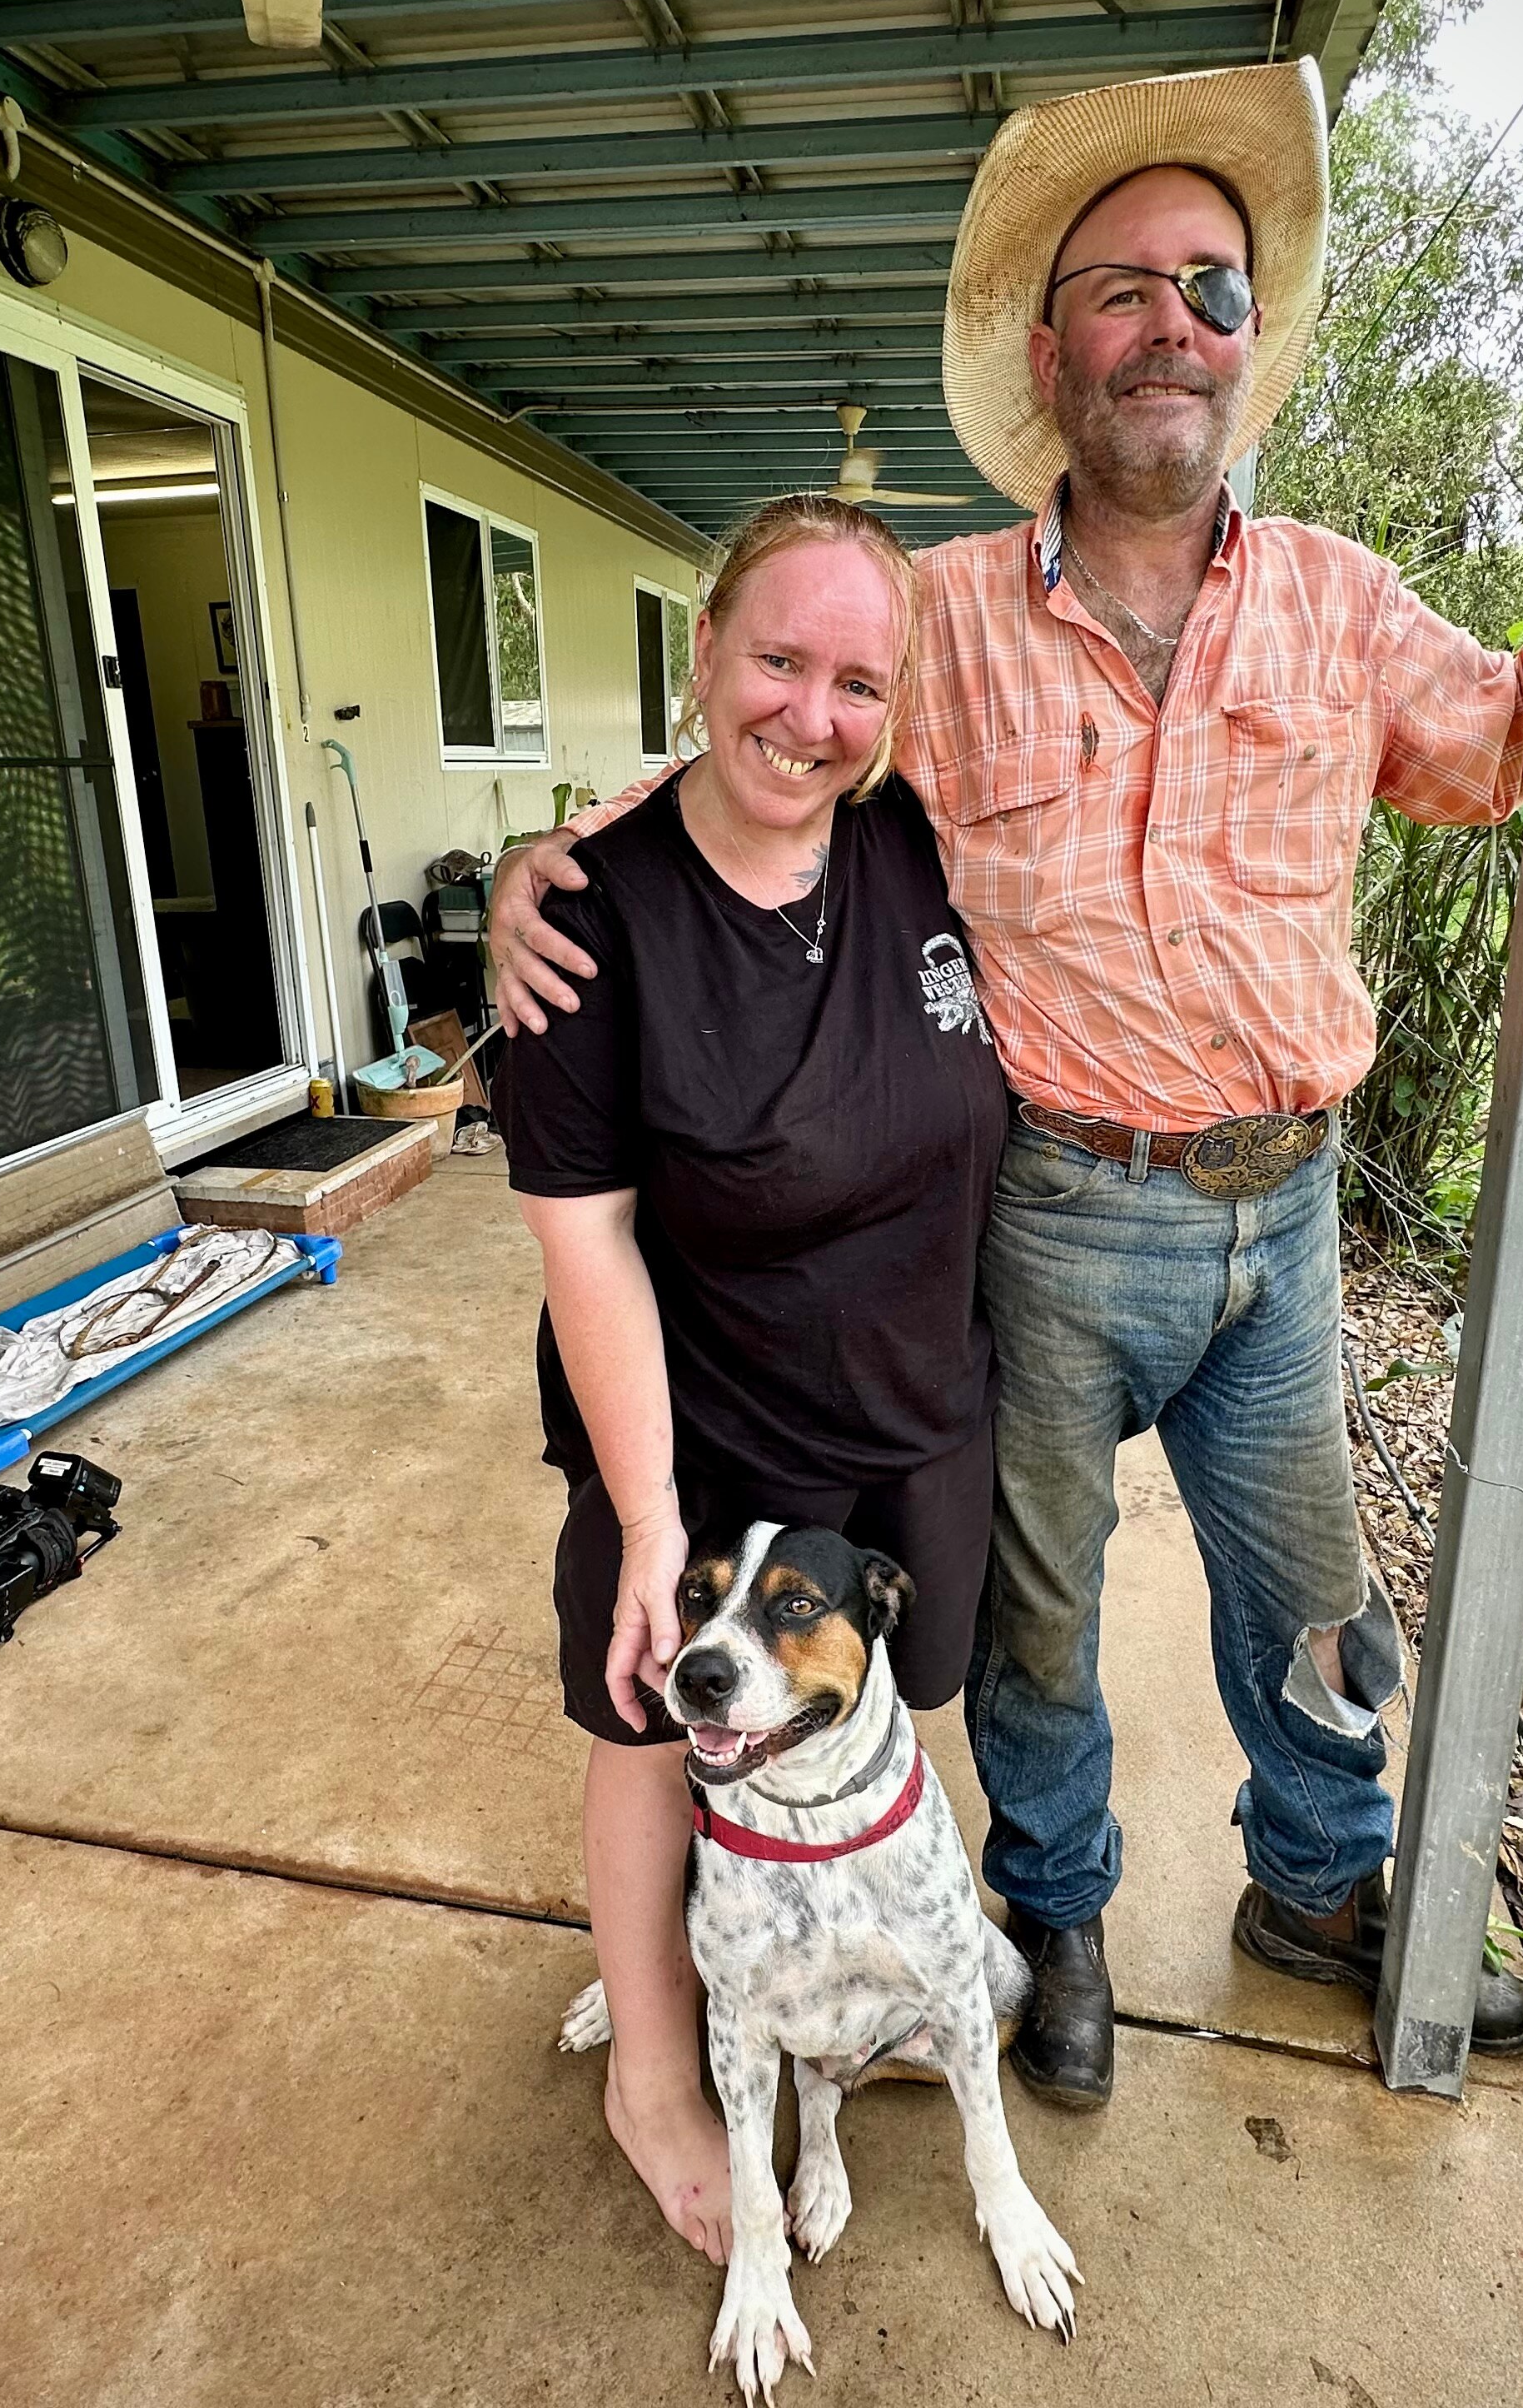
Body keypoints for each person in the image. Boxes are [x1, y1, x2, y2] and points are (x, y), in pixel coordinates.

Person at [492, 59, 1523, 2107]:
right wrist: (541, 862)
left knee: (1317, 1599)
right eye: (1122, 289)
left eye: (1213, 285)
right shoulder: (939, 625)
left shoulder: (1349, 606)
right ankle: (1059, 1914)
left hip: (1291, 1204)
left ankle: (1321, 1882)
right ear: (1052, 349)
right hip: (1063, 1210)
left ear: (1247, 346)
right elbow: (770, 757)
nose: (1172, 321)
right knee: (1036, 1619)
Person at [495, 493, 1009, 2257]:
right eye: (777, 659)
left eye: (858, 680)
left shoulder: (916, 843)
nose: (812, 715)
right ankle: (657, 2066)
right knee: (654, 1725)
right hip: (700, 1432)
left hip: (913, 1409)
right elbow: (587, 1244)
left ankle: (806, 1979)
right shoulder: (592, 923)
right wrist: (650, 1521)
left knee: (858, 1720)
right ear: (703, 652)